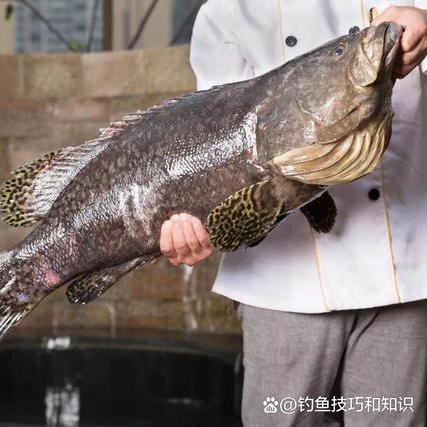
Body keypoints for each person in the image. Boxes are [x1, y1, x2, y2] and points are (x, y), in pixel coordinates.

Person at [159, 2, 427, 426]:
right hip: (283, 282)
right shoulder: (225, 12)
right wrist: (195, 220)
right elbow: (219, 148)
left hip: (404, 265)